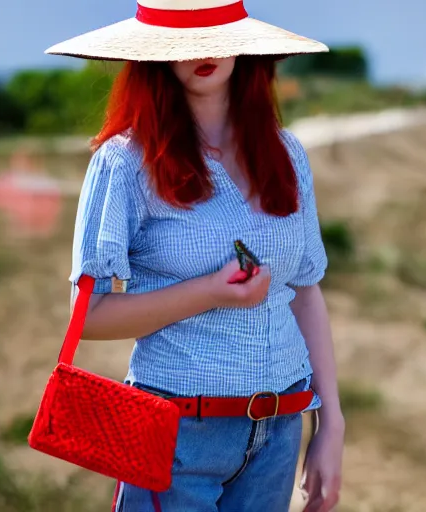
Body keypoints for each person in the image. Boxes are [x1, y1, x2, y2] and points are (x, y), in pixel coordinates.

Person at [47, 1, 345, 511]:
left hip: (278, 431)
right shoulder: (124, 163)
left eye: (214, 34)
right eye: (182, 42)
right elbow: (86, 317)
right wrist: (209, 292)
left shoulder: (287, 153)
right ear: (153, 57)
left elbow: (304, 291)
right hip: (175, 433)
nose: (202, 51)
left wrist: (331, 422)